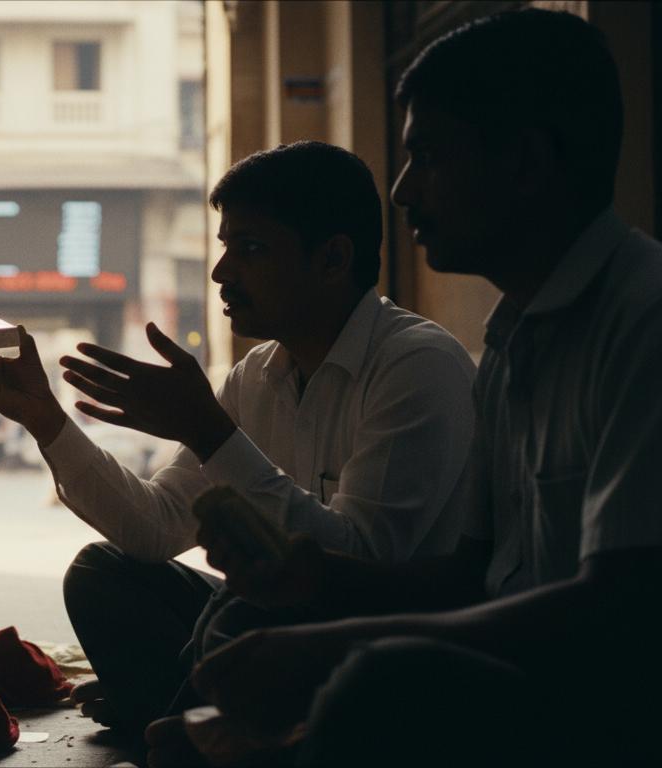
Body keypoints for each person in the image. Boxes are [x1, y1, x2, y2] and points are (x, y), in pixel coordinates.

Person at [150, 10, 662, 767]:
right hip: (518, 673)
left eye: (426, 154)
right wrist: (310, 583)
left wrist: (333, 643)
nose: (400, 190)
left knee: (379, 680)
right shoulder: (510, 339)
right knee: (247, 626)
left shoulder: (641, 322)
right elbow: (468, 578)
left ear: (524, 163)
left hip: (610, 710)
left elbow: (618, 611)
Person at [0, 141, 479, 738]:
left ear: (333, 259)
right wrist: (45, 418)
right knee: (104, 573)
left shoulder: (416, 366)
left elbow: (357, 567)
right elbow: (155, 528)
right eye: (226, 246)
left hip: (383, 643)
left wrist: (209, 432)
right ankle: (188, 711)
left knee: (241, 610)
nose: (222, 271)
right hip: (282, 630)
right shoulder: (257, 375)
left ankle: (178, 710)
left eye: (250, 249)